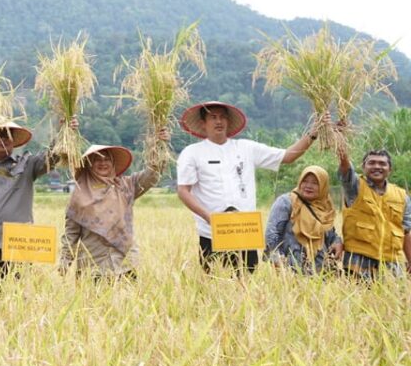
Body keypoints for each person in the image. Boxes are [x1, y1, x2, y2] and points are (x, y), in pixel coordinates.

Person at [176, 101, 320, 273]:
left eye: (222, 117)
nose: (219, 121)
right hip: (212, 232)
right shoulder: (192, 152)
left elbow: (288, 156)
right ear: (203, 124)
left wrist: (314, 132)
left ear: (228, 122)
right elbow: (183, 191)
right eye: (213, 117)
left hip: (244, 231)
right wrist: (208, 217)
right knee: (215, 285)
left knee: (246, 284)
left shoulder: (246, 148)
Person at [0, 117, 74, 280]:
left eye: (7, 135)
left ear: (13, 140)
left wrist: (65, 131)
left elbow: (52, 156)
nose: (2, 139)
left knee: (17, 297)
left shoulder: (28, 164)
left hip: (18, 244)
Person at [59, 136, 167, 280]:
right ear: (89, 164)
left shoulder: (126, 186)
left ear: (113, 163)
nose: (102, 163)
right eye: (97, 159)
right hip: (92, 266)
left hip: (125, 264)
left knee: (127, 302)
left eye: (107, 159)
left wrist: (159, 144)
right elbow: (71, 233)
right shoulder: (79, 195)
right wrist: (65, 260)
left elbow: (152, 174)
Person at [335, 144, 410, 278]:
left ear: (390, 169)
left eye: (382, 164)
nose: (377, 166)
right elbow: (345, 168)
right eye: (372, 163)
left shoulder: (401, 195)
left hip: (393, 262)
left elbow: (406, 232)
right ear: (363, 167)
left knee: (393, 298)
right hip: (359, 260)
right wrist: (341, 146)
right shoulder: (355, 187)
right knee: (359, 298)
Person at [264, 165, 340, 274]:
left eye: (315, 183)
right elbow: (271, 234)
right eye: (305, 181)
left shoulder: (325, 206)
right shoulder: (287, 202)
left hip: (320, 272)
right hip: (291, 270)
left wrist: (337, 242)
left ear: (323, 186)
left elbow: (330, 234)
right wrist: (278, 261)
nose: (308, 186)